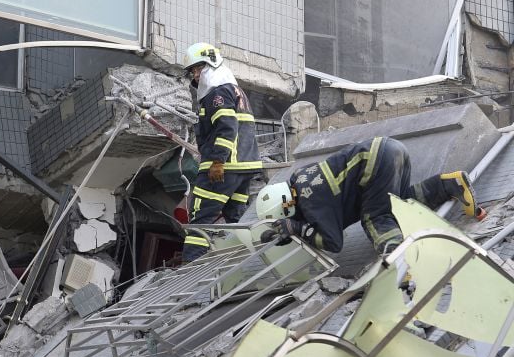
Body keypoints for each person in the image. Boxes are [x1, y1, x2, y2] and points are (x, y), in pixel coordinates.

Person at [256, 136, 482, 255]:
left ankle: (398, 258)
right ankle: (451, 184)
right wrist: (291, 231)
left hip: (376, 161)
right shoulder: (303, 180)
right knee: (400, 204)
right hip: (390, 149)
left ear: (285, 206)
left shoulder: (309, 200)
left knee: (376, 217)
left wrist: (297, 230)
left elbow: (333, 242)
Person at [181, 42, 264, 262]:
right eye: (192, 71)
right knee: (236, 220)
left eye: (199, 69)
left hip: (224, 169)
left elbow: (226, 127)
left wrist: (217, 160)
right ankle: (244, 264)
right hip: (244, 168)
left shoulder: (217, 93)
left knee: (201, 221)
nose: (196, 75)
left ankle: (190, 272)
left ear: (211, 65)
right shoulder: (236, 90)